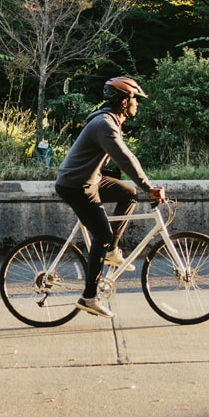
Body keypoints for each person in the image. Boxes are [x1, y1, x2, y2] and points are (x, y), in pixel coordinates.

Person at [54, 76, 165, 317]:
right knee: (102, 233)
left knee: (128, 192)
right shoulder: (105, 124)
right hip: (77, 185)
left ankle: (111, 251)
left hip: (89, 179)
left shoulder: (110, 120)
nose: (137, 104)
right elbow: (125, 158)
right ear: (124, 102)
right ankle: (89, 297)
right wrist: (150, 187)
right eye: (135, 99)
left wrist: (142, 188)